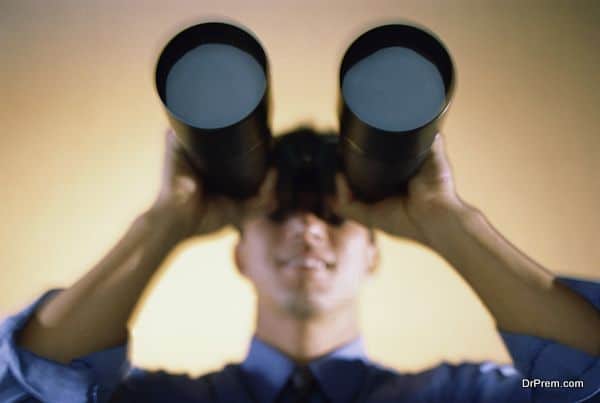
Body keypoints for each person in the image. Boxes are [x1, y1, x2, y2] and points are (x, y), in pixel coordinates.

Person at [0, 127, 598, 403]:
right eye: (282, 213)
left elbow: (578, 383)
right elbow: (27, 389)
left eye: (335, 217)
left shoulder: (460, 397)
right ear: (237, 253)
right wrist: (165, 221)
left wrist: (450, 221)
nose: (309, 226)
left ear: (373, 254)